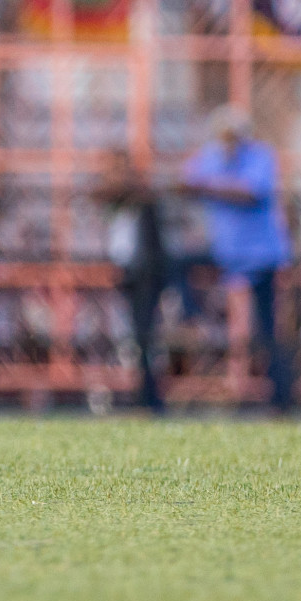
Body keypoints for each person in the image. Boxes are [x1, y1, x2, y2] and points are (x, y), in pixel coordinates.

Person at [181, 106, 295, 411]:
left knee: (268, 328)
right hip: (227, 253)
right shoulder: (211, 156)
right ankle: (189, 316)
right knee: (179, 265)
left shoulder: (260, 156)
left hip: (262, 255)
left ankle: (281, 398)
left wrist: (210, 187)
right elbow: (185, 182)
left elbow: (251, 193)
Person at [92, 150, 168, 412]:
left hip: (144, 275)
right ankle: (143, 395)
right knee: (134, 336)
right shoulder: (118, 200)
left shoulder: (141, 198)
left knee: (144, 335)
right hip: (126, 273)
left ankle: (150, 398)